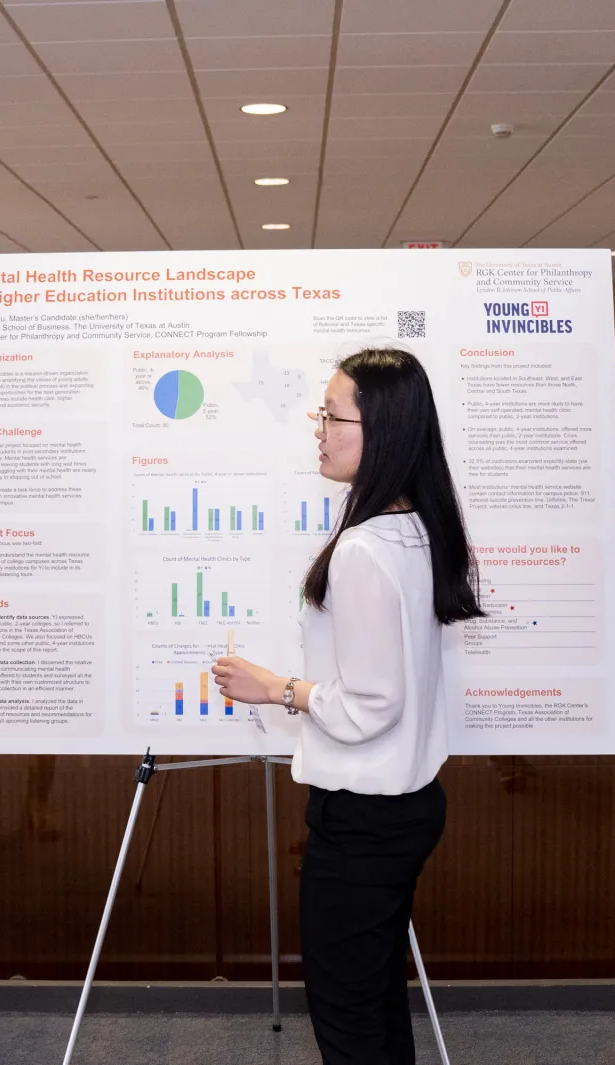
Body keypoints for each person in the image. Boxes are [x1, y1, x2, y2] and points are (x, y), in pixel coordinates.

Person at [211, 348, 478, 1065]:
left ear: (384, 429)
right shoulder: (421, 527)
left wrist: (278, 688)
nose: (320, 430)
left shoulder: (364, 549)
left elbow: (372, 703)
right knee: (376, 1002)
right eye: (320, 414)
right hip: (407, 806)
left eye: (333, 415)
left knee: (349, 1020)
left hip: (363, 820)